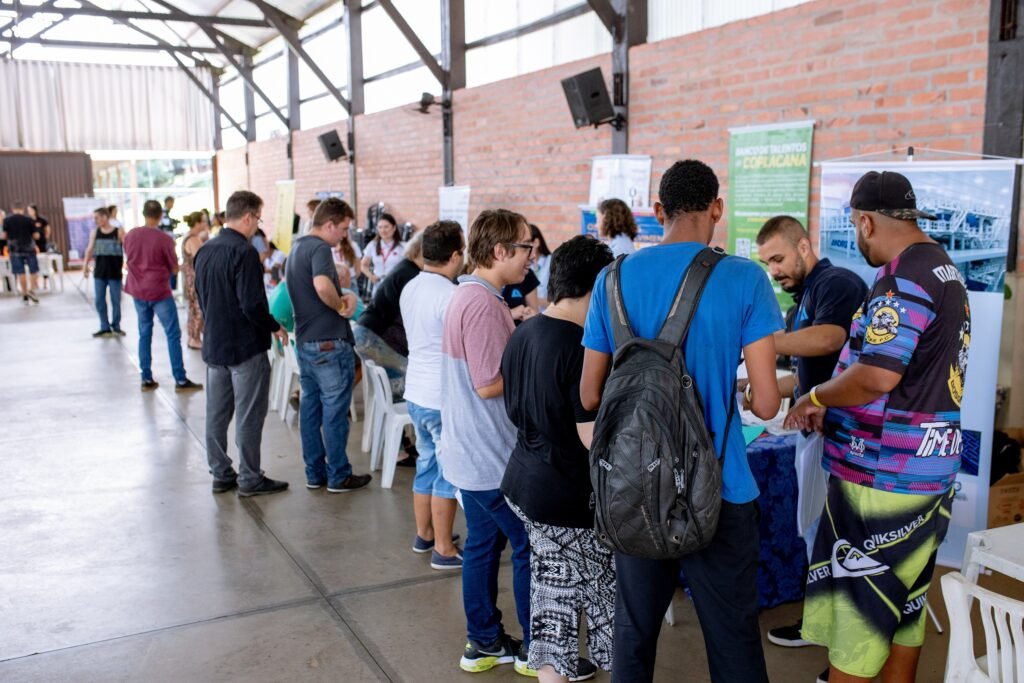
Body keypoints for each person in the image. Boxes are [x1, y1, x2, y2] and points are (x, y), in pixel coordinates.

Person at [580, 160, 783, 683]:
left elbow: (589, 393)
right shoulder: (744, 277)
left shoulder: (612, 279)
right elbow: (765, 403)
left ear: (657, 212)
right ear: (717, 207)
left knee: (634, 631)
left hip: (633, 484)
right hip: (721, 488)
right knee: (732, 634)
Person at [784, 171, 970, 683]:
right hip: (926, 477)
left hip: (881, 480)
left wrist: (817, 395)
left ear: (865, 222)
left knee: (859, 625)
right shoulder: (943, 269)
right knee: (903, 616)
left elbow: (878, 375)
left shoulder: (901, 279)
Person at [502, 235, 615, 683]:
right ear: (595, 289)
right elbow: (592, 440)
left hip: (524, 483)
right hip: (567, 496)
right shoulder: (578, 347)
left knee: (556, 600)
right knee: (601, 608)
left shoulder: (525, 331)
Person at [753, 216, 866, 662]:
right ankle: (822, 625)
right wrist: (752, 383)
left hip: (843, 437)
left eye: (778, 258)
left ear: (804, 246)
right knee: (814, 534)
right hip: (815, 434)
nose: (774, 270)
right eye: (767, 264)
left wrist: (764, 342)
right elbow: (803, 378)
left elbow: (830, 339)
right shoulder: (800, 300)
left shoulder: (836, 282)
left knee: (835, 539)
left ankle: (844, 647)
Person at [440, 208, 534, 674]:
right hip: (489, 456)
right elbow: (487, 383)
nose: (529, 260)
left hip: (471, 451)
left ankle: (483, 641)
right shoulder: (481, 303)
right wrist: (531, 362)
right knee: (527, 546)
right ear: (499, 251)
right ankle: (538, 648)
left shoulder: (470, 295)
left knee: (482, 546)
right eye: (525, 249)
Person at [194, 190, 289, 497]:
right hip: (245, 348)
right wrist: (275, 326)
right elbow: (251, 305)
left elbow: (201, 297)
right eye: (258, 219)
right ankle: (250, 477)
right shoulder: (244, 252)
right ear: (248, 217)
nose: (257, 226)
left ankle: (221, 474)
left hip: (215, 346)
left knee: (216, 415)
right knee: (249, 415)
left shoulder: (205, 250)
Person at [285, 198, 372, 493]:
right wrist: (340, 307)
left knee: (310, 409)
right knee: (335, 413)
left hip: (306, 340)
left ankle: (315, 472)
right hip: (328, 342)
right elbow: (323, 286)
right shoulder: (320, 248)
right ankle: (338, 475)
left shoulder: (297, 247)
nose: (344, 236)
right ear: (330, 224)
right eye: (343, 229)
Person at [399, 221, 465, 570]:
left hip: (416, 393)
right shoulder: (451, 296)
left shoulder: (410, 287)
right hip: (441, 397)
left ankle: (424, 534)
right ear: (456, 256)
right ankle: (444, 548)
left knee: (425, 464)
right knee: (446, 473)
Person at [123, 199, 202, 392]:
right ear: (160, 216)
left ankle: (146, 378)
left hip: (138, 291)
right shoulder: (164, 239)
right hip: (159, 291)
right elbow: (174, 268)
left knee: (144, 333)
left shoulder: (130, 236)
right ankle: (180, 379)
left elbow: (129, 260)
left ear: (143, 214)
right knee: (173, 334)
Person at [353, 232, 424, 398]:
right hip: (373, 334)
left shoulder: (405, 268)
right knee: (410, 382)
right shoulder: (410, 274)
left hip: (365, 330)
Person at [82, 206, 126, 337]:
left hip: (115, 273)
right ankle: (104, 326)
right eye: (94, 218)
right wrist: (85, 266)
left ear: (105, 217)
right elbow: (89, 250)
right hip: (100, 273)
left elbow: (128, 248)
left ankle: (116, 326)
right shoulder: (95, 233)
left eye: (97, 217)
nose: (95, 220)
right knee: (99, 300)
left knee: (116, 301)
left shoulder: (119, 232)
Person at [1, 201, 41, 303]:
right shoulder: (29, 220)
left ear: (13, 209)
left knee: (20, 272)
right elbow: (36, 236)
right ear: (23, 209)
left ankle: (24, 294)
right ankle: (31, 290)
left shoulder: (7, 220)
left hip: (14, 250)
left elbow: (4, 236)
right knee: (33, 270)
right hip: (29, 248)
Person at [182, 212, 210, 349]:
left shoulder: (192, 237)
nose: (206, 224)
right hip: (195, 280)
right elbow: (202, 259)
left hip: (191, 279)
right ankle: (195, 338)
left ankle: (194, 337)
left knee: (195, 308)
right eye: (204, 221)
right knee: (198, 308)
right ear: (197, 223)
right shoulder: (193, 239)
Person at [361, 212, 404, 294]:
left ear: (394, 228)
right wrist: (371, 276)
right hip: (378, 286)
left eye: (386, 227)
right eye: (380, 227)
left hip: (396, 287)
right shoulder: (372, 245)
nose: (383, 230)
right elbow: (363, 265)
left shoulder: (403, 247)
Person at [529, 223, 552, 305]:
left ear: (536, 242)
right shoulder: (524, 266)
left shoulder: (551, 262)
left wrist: (533, 300)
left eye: (526, 243)